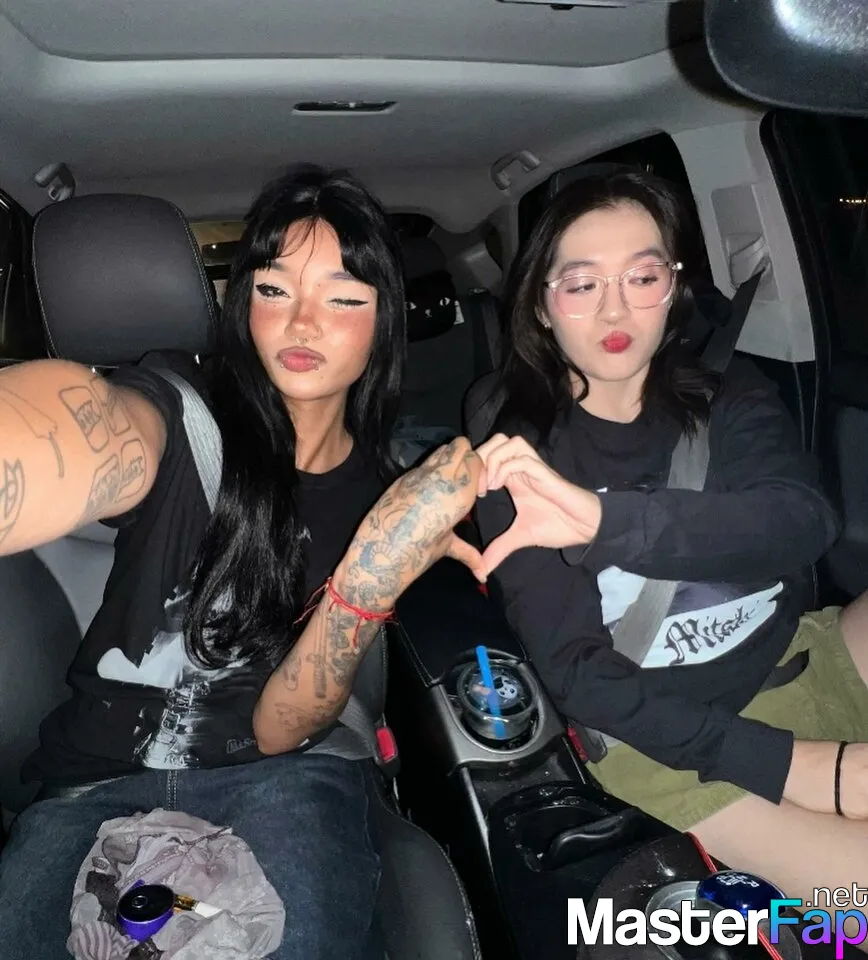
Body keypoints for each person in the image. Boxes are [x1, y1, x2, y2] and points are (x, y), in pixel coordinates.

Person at [0, 165, 484, 959]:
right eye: (273, 289)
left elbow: (279, 730)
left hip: (281, 780)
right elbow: (90, 426)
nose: (301, 321)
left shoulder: (386, 497)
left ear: (384, 321)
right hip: (90, 785)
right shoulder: (182, 404)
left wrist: (368, 580)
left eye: (342, 297)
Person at [472, 169, 868, 936]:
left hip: (798, 653)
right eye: (582, 285)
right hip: (672, 742)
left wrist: (607, 523)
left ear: (674, 287)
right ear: (541, 307)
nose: (616, 309)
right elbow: (581, 676)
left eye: (642, 276)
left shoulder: (724, 390)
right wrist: (797, 766)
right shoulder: (519, 454)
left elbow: (803, 521)